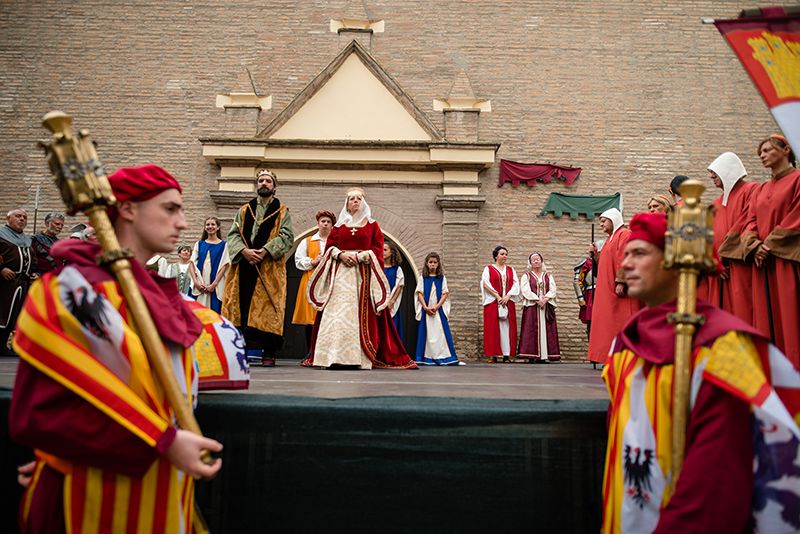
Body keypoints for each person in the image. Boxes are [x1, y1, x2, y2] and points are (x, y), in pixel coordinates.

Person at [9, 164, 223, 533]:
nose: (184, 223)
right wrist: (163, 441)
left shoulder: (154, 294)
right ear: (128, 209)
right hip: (91, 496)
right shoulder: (70, 291)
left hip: (163, 495)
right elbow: (49, 409)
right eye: (170, 208)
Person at [601, 212, 800, 533]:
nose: (624, 264)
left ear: (676, 261)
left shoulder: (721, 349)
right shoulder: (624, 344)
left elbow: (717, 478)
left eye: (639, 253)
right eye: (626, 255)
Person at [304, 188, 417, 369]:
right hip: (341, 276)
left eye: (358, 199)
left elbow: (378, 248)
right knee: (337, 314)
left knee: (359, 315)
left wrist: (360, 256)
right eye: (351, 199)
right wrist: (340, 255)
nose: (355, 201)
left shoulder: (372, 226)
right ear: (347, 204)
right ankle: (332, 356)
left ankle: (358, 358)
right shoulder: (339, 227)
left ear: (363, 202)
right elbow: (330, 248)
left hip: (362, 276)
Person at [222, 169, 294, 366]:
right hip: (244, 266)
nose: (264, 183)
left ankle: (268, 352)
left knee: (268, 308)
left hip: (268, 268)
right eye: (261, 180)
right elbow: (233, 234)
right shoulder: (245, 210)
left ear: (274, 186)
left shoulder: (282, 211)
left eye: (268, 181)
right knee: (240, 305)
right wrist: (244, 251)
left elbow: (287, 236)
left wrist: (264, 251)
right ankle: (239, 351)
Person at [741, 134, 800, 366]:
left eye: (767, 150)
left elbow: (796, 216)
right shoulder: (761, 189)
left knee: (791, 317)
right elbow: (749, 221)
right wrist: (755, 245)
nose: (762, 156)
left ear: (786, 149)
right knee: (767, 319)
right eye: (760, 153)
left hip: (788, 261)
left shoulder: (797, 180)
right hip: (763, 263)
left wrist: (770, 244)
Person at [701, 151, 757, 324]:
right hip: (720, 271)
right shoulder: (714, 205)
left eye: (714, 172)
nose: (711, 176)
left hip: (741, 264)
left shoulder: (751, 191)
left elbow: (749, 222)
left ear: (728, 171)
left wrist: (726, 254)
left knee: (744, 309)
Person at [587, 208, 642, 364]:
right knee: (606, 323)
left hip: (616, 288)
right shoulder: (610, 238)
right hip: (606, 288)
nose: (601, 225)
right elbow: (606, 263)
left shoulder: (624, 234)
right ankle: (606, 356)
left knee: (619, 320)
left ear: (614, 219)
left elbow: (624, 258)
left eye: (604, 221)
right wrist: (596, 254)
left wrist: (621, 281)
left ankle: (622, 357)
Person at [291, 210, 335, 351]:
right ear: (318, 223)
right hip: (311, 281)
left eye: (328, 222)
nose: (325, 224)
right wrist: (313, 261)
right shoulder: (307, 241)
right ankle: (311, 352)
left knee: (328, 318)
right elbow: (298, 260)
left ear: (332, 225)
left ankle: (326, 351)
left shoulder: (336, 242)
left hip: (330, 282)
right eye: (323, 221)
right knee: (311, 320)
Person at [414, 252, 461, 366]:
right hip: (427, 310)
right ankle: (427, 357)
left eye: (435, 262)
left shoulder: (441, 278)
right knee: (428, 334)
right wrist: (425, 307)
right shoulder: (422, 278)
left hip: (437, 310)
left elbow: (445, 293)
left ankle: (443, 356)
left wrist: (437, 307)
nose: (433, 264)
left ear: (438, 264)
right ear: (426, 263)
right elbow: (419, 292)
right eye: (430, 262)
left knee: (440, 333)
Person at [0, 208, 33, 357]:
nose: (22, 219)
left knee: (13, 315)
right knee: (2, 314)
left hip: (21, 283)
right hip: (4, 282)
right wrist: (1, 269)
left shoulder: (26, 239)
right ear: (8, 219)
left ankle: (2, 346)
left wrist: (34, 272)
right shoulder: (1, 234)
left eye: (24, 217)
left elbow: (32, 260)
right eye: (18, 216)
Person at [518, 252, 561, 362]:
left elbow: (553, 289)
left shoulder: (548, 276)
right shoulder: (526, 276)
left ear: (541, 261)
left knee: (547, 329)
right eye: (534, 260)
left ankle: (545, 356)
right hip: (532, 306)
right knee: (531, 329)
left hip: (546, 306)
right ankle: (531, 355)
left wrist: (545, 299)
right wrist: (537, 299)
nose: (536, 261)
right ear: (530, 263)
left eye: (538, 259)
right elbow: (525, 290)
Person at [481, 246, 520, 363]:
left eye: (506, 254)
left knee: (507, 328)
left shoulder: (510, 270)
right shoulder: (488, 269)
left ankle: (506, 355)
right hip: (493, 302)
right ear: (496, 256)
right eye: (502, 254)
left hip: (507, 302)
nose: (505, 256)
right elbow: (485, 283)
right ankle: (493, 355)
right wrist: (497, 296)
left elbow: (515, 284)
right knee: (492, 328)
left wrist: (508, 296)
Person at [190, 216, 230, 313]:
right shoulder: (199, 244)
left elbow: (224, 266)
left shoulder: (224, 245)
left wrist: (214, 284)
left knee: (214, 312)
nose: (210, 226)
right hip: (200, 284)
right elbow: (191, 263)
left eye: (213, 224)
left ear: (218, 227)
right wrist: (196, 282)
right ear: (204, 227)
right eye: (207, 224)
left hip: (215, 286)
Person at [383, 241, 405, 338]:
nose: (382, 252)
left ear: (391, 252)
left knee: (392, 330)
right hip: (380, 303)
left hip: (390, 305)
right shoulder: (378, 268)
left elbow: (399, 286)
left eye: (385, 250)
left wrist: (391, 302)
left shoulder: (397, 269)